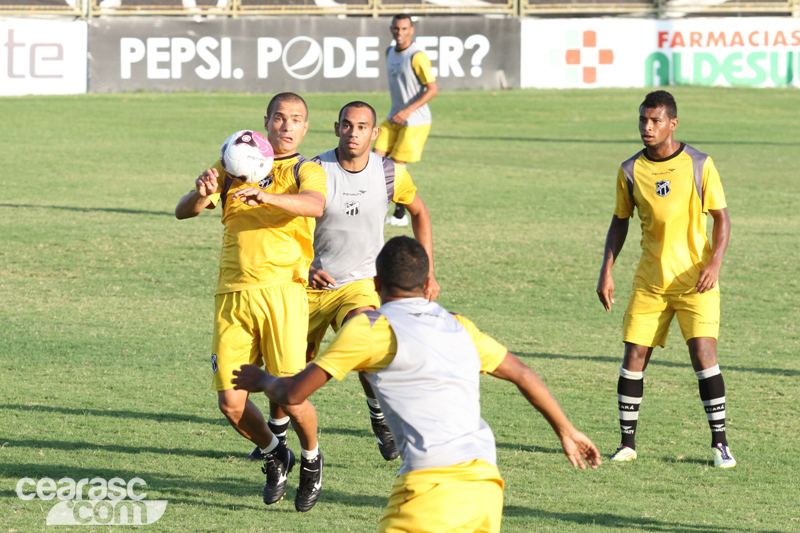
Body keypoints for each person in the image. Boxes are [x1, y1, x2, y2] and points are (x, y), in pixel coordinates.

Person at [233, 236, 601, 532]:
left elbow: (294, 393)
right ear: (427, 284)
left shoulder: (370, 329)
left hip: (429, 490)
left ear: (375, 285)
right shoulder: (459, 324)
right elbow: (523, 374)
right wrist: (566, 430)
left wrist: (264, 379)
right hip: (486, 484)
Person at [174, 92, 328, 511]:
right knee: (231, 402)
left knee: (291, 395)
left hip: (283, 293)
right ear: (267, 121)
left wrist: (269, 198)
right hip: (232, 294)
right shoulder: (234, 160)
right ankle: (277, 452)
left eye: (296, 119)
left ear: (305, 127)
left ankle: (312, 459)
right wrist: (200, 192)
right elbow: (183, 211)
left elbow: (315, 205)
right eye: (280, 118)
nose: (287, 126)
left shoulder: (305, 168)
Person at [596, 90, 735, 468]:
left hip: (695, 280)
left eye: (655, 120)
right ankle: (627, 444)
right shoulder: (630, 170)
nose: (647, 126)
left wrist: (714, 265)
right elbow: (619, 221)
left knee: (703, 355)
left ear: (672, 123)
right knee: (634, 355)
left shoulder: (699, 164)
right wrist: (606, 269)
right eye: (643, 119)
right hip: (650, 282)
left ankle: (720, 445)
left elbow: (722, 218)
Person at [306, 100, 439, 461]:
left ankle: (379, 418)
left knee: (365, 345)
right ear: (336, 128)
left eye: (362, 126)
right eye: (347, 125)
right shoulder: (314, 169)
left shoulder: (389, 172)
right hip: (307, 285)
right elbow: (289, 226)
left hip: (360, 283)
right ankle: (275, 441)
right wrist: (303, 266)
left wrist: (426, 270)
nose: (354, 133)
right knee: (289, 366)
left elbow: (419, 212)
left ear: (375, 133)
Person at [373, 14, 438, 227]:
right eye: (396, 28)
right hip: (394, 116)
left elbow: (433, 89)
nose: (399, 33)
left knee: (397, 167)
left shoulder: (416, 56)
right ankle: (373, 207)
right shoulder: (389, 51)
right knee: (374, 159)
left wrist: (408, 111)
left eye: (404, 29)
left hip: (415, 121)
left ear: (411, 30)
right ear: (391, 29)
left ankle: (400, 215)